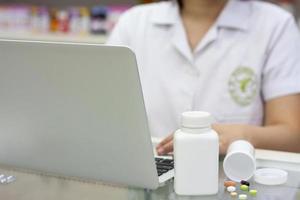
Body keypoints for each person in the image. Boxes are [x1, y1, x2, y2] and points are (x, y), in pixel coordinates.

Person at [107, 0, 300, 155]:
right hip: (150, 183)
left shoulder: (275, 24)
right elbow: (102, 114)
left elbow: (293, 136)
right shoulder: (133, 23)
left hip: (237, 181)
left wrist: (243, 136)